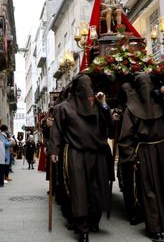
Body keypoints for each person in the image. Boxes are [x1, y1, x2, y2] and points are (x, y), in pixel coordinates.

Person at [49, 74, 113, 242]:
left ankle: (93, 221)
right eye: (84, 87)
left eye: (89, 86)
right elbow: (57, 131)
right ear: (77, 90)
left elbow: (109, 125)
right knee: (79, 191)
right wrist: (54, 151)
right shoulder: (64, 107)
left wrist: (104, 104)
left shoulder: (97, 106)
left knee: (96, 189)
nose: (88, 91)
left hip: (97, 153)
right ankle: (82, 228)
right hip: (75, 153)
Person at [118, 74, 164, 242]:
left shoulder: (161, 101)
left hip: (163, 148)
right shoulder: (131, 108)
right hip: (144, 152)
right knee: (149, 189)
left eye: (148, 84)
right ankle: (154, 227)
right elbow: (124, 139)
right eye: (142, 85)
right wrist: (132, 157)